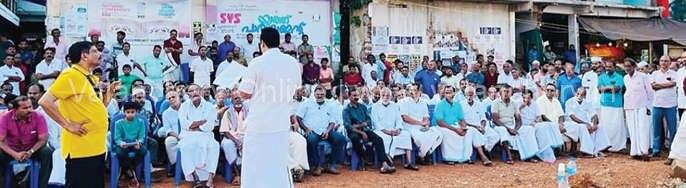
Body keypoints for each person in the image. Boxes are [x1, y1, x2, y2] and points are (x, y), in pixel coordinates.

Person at [38, 41, 121, 188]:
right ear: (84, 55)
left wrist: (109, 92)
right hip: (81, 148)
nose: (99, 54)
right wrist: (67, 125)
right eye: (95, 51)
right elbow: (45, 101)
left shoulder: (89, 77)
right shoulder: (70, 75)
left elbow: (99, 108)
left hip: (96, 146)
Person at [238, 27, 302, 187]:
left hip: (259, 125)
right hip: (280, 123)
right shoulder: (292, 62)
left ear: (262, 43)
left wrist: (239, 85)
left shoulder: (256, 63)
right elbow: (296, 90)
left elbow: (244, 94)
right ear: (278, 42)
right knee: (279, 164)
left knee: (255, 166)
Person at [0, 96, 53, 188]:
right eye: (25, 108)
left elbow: (43, 139)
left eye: (30, 107)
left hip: (32, 150)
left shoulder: (39, 116)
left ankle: (42, 186)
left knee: (47, 152)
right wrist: (14, 154)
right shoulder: (5, 118)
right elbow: (0, 141)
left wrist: (31, 151)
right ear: (15, 109)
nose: (29, 110)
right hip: (11, 151)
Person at [435, 85, 491, 165]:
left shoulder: (457, 104)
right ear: (444, 94)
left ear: (454, 93)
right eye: (446, 93)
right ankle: (449, 158)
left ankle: (467, 157)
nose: (448, 94)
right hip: (444, 126)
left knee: (471, 130)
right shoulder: (440, 104)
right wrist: (456, 129)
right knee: (449, 133)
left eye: (450, 92)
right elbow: (439, 122)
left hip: (456, 125)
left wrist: (464, 127)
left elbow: (461, 119)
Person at [343, 87, 395, 173]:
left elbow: (368, 121)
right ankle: (363, 158)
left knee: (379, 139)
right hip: (354, 132)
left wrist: (361, 126)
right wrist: (361, 129)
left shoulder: (362, 107)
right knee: (355, 138)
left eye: (357, 95)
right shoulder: (346, 110)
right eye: (354, 95)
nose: (356, 97)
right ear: (349, 97)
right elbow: (348, 126)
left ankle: (384, 163)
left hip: (364, 130)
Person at [296, 87, 345, 175]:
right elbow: (298, 117)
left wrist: (327, 131)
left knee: (340, 139)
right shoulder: (307, 103)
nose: (319, 96)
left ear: (325, 94)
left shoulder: (330, 105)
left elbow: (332, 121)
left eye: (321, 94)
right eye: (317, 94)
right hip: (312, 130)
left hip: (326, 130)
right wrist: (306, 129)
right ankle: (317, 165)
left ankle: (330, 164)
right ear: (314, 94)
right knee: (311, 140)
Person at [177, 84, 219, 187]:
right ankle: (195, 177)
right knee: (186, 146)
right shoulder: (183, 106)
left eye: (197, 90)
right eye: (191, 91)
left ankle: (210, 179)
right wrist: (202, 121)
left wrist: (196, 126)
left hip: (205, 134)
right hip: (188, 135)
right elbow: (185, 124)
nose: (194, 92)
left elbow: (210, 125)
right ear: (188, 94)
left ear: (200, 92)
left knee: (214, 146)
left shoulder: (209, 106)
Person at [371, 88, 418, 170]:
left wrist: (398, 129)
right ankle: (386, 163)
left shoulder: (394, 105)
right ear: (380, 96)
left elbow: (399, 119)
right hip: (381, 131)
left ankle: (409, 162)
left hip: (394, 130)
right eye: (383, 95)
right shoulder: (375, 106)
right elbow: (376, 123)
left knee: (406, 135)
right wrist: (387, 131)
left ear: (391, 96)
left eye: (387, 95)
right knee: (385, 138)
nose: (385, 97)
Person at [491, 85, 539, 164]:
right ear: (500, 93)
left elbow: (518, 120)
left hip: (512, 126)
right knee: (503, 130)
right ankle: (508, 156)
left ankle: (529, 155)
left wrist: (515, 129)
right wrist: (508, 129)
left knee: (529, 129)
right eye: (504, 91)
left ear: (511, 93)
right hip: (499, 126)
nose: (506, 93)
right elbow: (495, 119)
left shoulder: (514, 103)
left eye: (508, 91)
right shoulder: (495, 103)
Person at [399, 83, 442, 163]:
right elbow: (405, 118)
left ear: (419, 92)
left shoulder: (423, 102)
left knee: (438, 134)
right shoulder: (403, 102)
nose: (412, 92)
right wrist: (420, 123)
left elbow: (426, 117)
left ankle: (423, 154)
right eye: (410, 90)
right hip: (409, 126)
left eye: (415, 90)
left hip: (421, 126)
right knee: (421, 137)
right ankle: (424, 155)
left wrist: (426, 124)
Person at [564, 87, 611, 157]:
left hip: (585, 123)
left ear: (585, 96)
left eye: (582, 95)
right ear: (575, 93)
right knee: (583, 127)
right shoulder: (569, 102)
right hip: (572, 123)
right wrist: (585, 123)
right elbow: (572, 117)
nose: (579, 96)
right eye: (578, 94)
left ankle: (598, 150)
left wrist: (594, 124)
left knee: (599, 126)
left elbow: (594, 115)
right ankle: (587, 151)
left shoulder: (587, 102)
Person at [623, 58, 654, 160]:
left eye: (629, 66)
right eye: (625, 66)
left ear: (634, 66)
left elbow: (650, 92)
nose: (627, 68)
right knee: (632, 129)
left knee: (643, 128)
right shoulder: (625, 78)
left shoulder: (643, 76)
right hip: (629, 106)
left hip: (642, 106)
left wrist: (649, 106)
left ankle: (644, 152)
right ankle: (635, 152)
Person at [650, 55, 678, 158]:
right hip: (657, 104)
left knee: (672, 129)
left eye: (666, 61)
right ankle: (656, 149)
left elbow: (674, 84)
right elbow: (653, 86)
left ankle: (673, 150)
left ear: (670, 63)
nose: (663, 63)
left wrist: (659, 85)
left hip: (671, 105)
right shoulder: (654, 73)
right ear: (659, 62)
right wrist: (667, 84)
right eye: (662, 61)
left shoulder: (675, 73)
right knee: (656, 128)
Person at [113, 102, 146, 188]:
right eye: (128, 112)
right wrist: (121, 143)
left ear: (136, 112)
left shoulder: (140, 122)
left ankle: (125, 170)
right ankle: (131, 175)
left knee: (143, 150)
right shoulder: (119, 123)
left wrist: (139, 142)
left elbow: (142, 136)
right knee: (120, 152)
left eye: (132, 112)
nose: (130, 114)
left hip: (135, 144)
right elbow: (117, 138)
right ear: (124, 112)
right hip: (123, 145)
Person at [460, 86, 500, 156]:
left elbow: (483, 118)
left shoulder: (479, 104)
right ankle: (484, 154)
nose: (469, 97)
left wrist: (482, 127)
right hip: (469, 127)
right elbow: (462, 121)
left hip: (480, 126)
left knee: (495, 136)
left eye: (471, 95)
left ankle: (486, 149)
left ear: (474, 95)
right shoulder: (460, 105)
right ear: (465, 95)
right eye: (467, 95)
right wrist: (476, 127)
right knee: (477, 134)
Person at [219, 92, 248, 185]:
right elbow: (225, 131)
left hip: (246, 137)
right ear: (232, 101)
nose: (238, 100)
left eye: (240, 98)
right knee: (227, 145)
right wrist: (237, 141)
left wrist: (244, 141)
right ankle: (237, 174)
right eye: (235, 98)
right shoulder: (227, 113)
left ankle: (248, 173)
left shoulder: (249, 111)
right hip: (231, 138)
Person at [597, 60, 626, 152]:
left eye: (610, 67)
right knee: (605, 126)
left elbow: (617, 89)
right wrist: (610, 88)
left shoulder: (619, 77)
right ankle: (605, 145)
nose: (608, 69)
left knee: (617, 126)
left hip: (617, 105)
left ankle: (618, 146)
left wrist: (605, 88)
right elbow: (599, 89)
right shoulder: (601, 77)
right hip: (605, 104)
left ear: (614, 67)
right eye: (607, 67)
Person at [159, 91, 182, 176]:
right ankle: (175, 166)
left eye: (173, 97)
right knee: (169, 141)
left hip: (188, 134)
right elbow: (168, 129)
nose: (172, 99)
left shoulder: (186, 108)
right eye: (169, 98)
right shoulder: (166, 113)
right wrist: (178, 137)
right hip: (175, 135)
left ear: (178, 97)